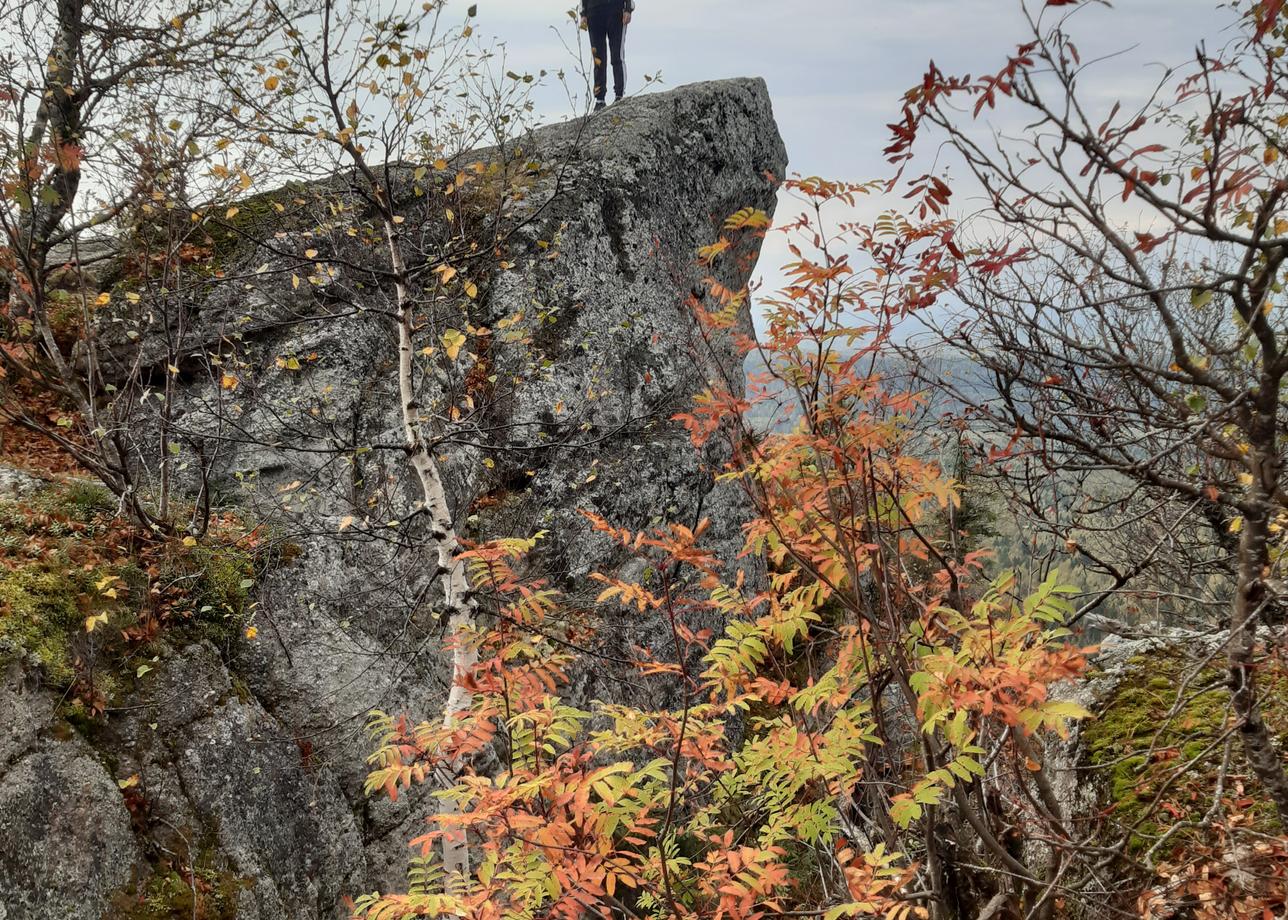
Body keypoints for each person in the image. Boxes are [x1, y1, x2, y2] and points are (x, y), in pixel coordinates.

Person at [581, 0, 634, 112]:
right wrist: (583, 13)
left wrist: (628, 9)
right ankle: (600, 100)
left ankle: (619, 96)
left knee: (617, 56)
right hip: (593, 12)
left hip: (616, 10)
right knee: (598, 59)